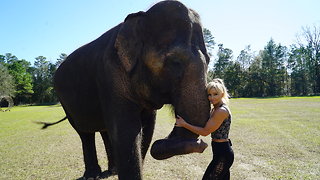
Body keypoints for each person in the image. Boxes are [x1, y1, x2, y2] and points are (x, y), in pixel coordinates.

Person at [175, 78, 234, 180]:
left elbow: (205, 132)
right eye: (209, 94)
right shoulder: (215, 109)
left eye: (215, 94)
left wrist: (184, 124)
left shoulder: (221, 111)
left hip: (223, 154)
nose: (212, 97)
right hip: (219, 150)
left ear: (222, 94)